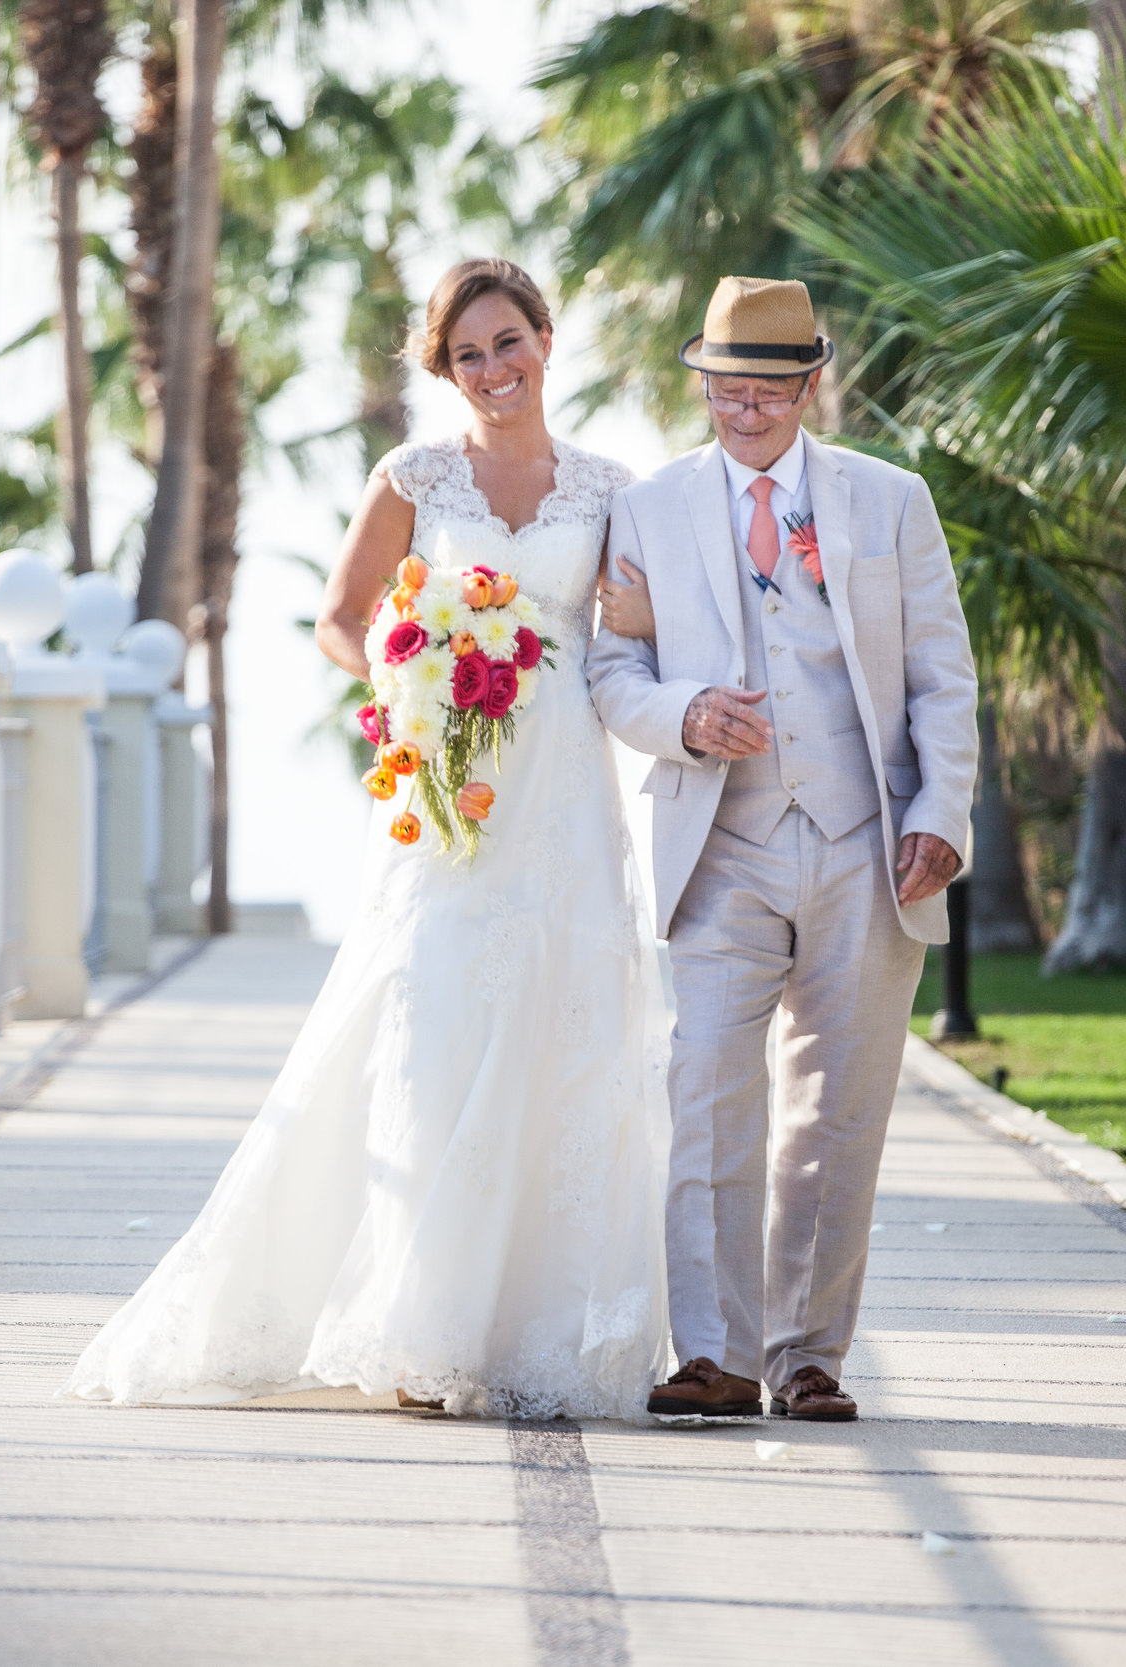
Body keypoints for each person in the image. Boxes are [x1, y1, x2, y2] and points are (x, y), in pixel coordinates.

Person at [66, 259, 670, 1418]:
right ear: (443, 370)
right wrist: (418, 673)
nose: (492, 370)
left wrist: (636, 625)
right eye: (466, 355)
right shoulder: (415, 476)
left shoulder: (609, 487)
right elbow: (343, 621)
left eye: (507, 342)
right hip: (450, 784)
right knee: (433, 1019)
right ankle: (419, 1324)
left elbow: (630, 624)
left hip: (564, 789)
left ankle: (541, 1326)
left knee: (565, 1023)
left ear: (547, 338)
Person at [588, 275, 979, 1424]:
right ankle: (710, 1350)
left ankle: (809, 1354)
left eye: (766, 387)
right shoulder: (646, 509)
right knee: (708, 1086)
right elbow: (612, 671)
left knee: (838, 1108)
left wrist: (938, 817)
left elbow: (942, 676)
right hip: (723, 841)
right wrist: (685, 715)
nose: (743, 408)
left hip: (868, 838)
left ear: (810, 383)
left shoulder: (892, 501)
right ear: (700, 382)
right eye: (722, 386)